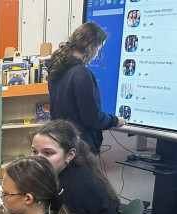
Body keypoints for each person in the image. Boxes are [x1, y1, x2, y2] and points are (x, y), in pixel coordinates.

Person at [47, 22, 127, 154]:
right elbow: (92, 119)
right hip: (80, 146)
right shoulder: (81, 74)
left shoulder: (57, 68)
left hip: (61, 140)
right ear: (91, 47)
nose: (96, 55)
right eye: (98, 49)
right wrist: (115, 121)